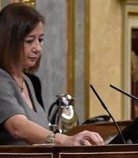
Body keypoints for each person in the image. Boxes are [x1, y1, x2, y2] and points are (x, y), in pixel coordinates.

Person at [0, 3, 103, 146]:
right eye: (30, 41)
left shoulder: (28, 82)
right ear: (10, 42)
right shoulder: (2, 80)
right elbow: (18, 128)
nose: (38, 48)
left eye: (40, 40)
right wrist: (64, 140)